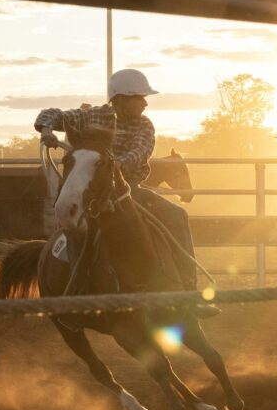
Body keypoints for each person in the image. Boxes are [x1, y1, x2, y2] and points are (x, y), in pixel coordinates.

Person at [35, 68, 206, 295]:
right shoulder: (92, 115)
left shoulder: (144, 125)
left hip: (127, 191)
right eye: (140, 98)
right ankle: (72, 286)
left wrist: (112, 166)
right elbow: (51, 114)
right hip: (90, 193)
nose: (145, 104)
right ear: (122, 100)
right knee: (73, 225)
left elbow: (139, 153)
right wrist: (47, 131)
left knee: (177, 215)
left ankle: (189, 286)